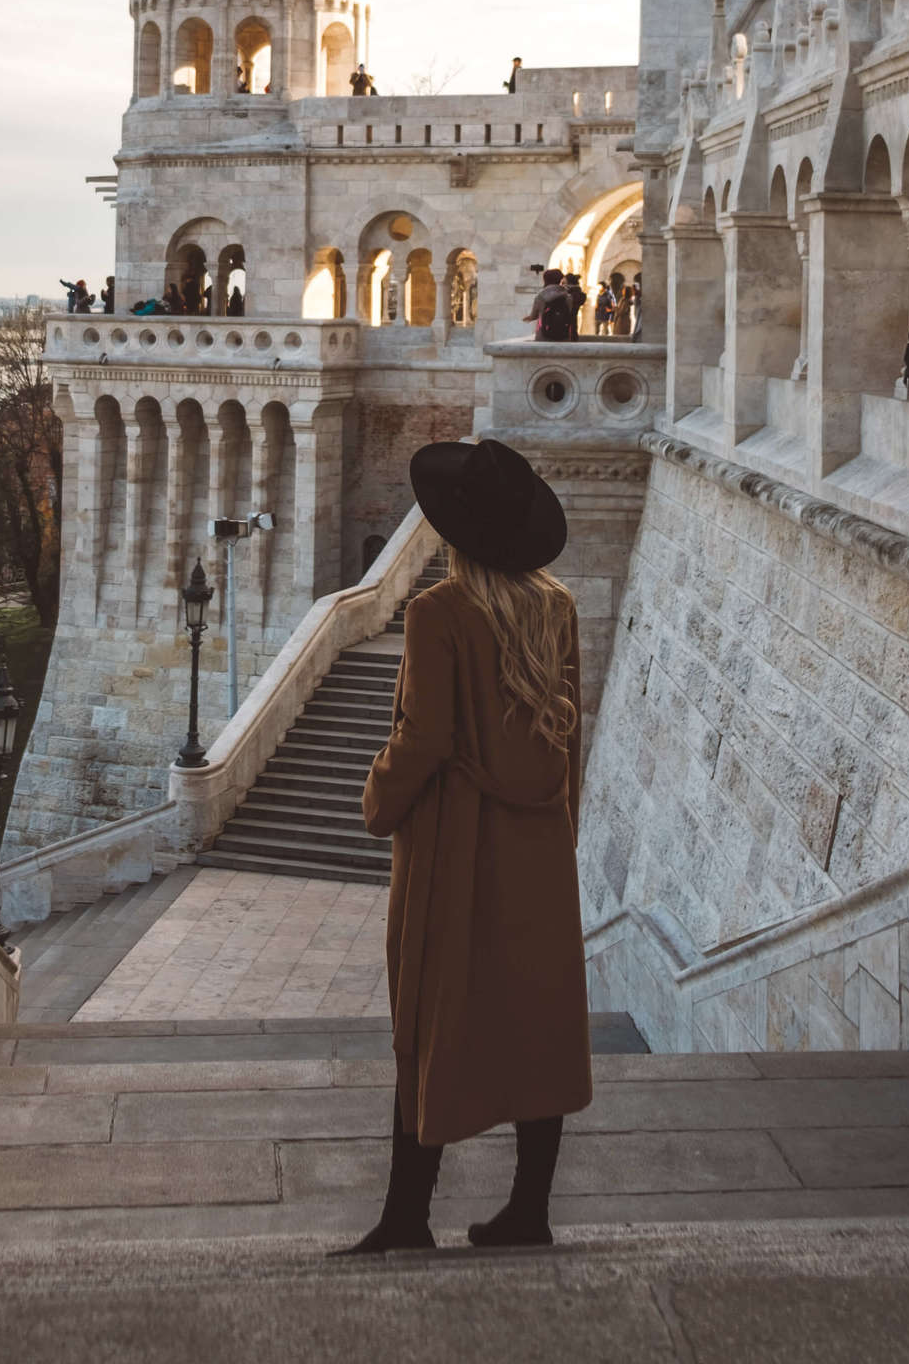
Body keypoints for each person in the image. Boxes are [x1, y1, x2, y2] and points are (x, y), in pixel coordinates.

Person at [337, 438, 589, 1255]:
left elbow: (426, 735)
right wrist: (562, 827)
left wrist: (379, 797)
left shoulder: (439, 613)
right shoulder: (555, 608)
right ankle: (531, 1211)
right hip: (538, 845)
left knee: (431, 1022)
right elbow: (569, 733)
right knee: (538, 1024)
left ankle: (408, 1216)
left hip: (458, 842)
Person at [523, 268, 574, 342]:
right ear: (560, 279)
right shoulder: (568, 297)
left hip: (544, 336)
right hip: (563, 336)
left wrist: (527, 318)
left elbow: (533, 315)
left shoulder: (541, 296)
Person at [562, 271, 588, 336]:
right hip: (573, 320)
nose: (562, 283)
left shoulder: (570, 292)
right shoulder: (578, 291)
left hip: (566, 321)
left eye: (564, 282)